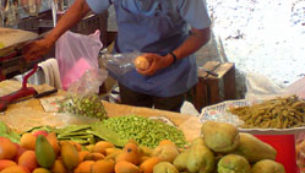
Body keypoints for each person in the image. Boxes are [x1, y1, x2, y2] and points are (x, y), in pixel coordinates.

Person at [24, 0, 211, 112]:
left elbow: (201, 34)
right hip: (130, 71)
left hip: (171, 72)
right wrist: (49, 40)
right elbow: (82, 6)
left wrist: (169, 59)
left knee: (169, 131)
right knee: (133, 124)